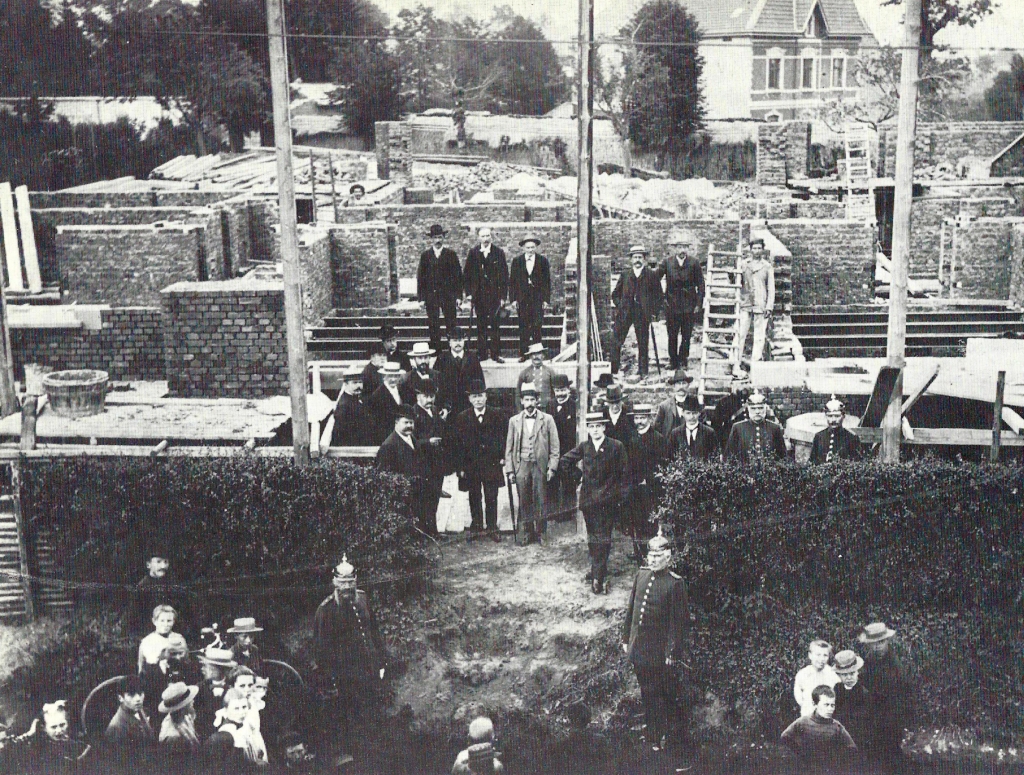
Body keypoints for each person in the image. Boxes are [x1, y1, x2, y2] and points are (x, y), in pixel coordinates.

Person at [313, 557, 388, 767]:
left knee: (371, 713)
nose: (346, 587)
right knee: (348, 718)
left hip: (369, 671)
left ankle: (374, 754)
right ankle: (353, 758)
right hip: (345, 678)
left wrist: (382, 661)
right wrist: (330, 681)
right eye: (342, 582)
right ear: (335, 583)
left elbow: (374, 631)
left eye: (350, 582)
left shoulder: (362, 599)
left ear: (355, 581)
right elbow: (321, 652)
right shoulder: (325, 610)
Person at [621, 532, 690, 754]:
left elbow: (678, 622)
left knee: (661, 693)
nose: (652, 560)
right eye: (650, 555)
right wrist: (625, 638)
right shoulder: (641, 575)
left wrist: (672, 651)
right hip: (638, 648)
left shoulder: (674, 584)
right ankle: (652, 731)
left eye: (658, 556)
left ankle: (666, 736)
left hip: (658, 653)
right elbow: (631, 610)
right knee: (646, 690)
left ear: (668, 558)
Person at [560, 412, 629, 594]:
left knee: (603, 537)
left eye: (598, 426)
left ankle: (598, 577)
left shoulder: (616, 446)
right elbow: (565, 461)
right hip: (589, 501)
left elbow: (624, 473)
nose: (595, 429)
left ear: (604, 427)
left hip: (607, 501)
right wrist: (579, 476)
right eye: (591, 426)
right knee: (593, 537)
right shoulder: (585, 447)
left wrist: (618, 495)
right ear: (587, 429)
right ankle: (597, 569)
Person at [504, 382, 560, 546]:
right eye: (526, 400)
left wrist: (552, 467)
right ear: (522, 401)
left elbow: (555, 446)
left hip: (540, 466)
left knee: (541, 499)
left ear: (537, 401)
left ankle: (541, 532)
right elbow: (509, 448)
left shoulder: (547, 419)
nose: (529, 403)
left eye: (532, 400)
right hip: (522, 465)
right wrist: (510, 471)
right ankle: (527, 532)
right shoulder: (514, 421)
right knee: (524, 499)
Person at [454, 379, 506, 542]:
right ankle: (477, 526)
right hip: (472, 465)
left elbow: (504, 437)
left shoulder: (497, 414)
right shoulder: (463, 417)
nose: (478, 400)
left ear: (486, 397)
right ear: (470, 399)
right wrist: (460, 466)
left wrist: (503, 456)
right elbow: (459, 443)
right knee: (474, 495)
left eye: (481, 396)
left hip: (491, 463)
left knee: (492, 495)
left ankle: (491, 527)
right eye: (474, 397)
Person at [857, 622, 912, 773]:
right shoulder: (868, 661)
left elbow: (904, 693)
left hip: (891, 716)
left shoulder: (894, 665)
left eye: (881, 642)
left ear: (887, 641)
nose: (878, 647)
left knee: (890, 755)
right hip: (873, 717)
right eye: (873, 644)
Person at [610, 244, 663, 377]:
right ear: (631, 260)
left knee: (643, 343)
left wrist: (653, 312)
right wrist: (621, 305)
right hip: (625, 314)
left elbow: (659, 296)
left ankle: (643, 371)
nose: (637, 260)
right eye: (635, 257)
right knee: (617, 340)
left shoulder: (651, 275)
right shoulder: (626, 274)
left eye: (640, 257)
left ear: (644, 259)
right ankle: (614, 370)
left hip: (642, 314)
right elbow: (615, 294)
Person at [780, 685, 857, 773]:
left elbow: (852, 748)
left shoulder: (836, 726)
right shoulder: (803, 722)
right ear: (814, 704)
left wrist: (838, 760)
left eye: (832, 705)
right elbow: (785, 737)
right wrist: (799, 752)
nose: (830, 709)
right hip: (806, 769)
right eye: (826, 705)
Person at [658, 229, 705, 372]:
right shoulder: (667, 262)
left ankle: (683, 360)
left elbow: (701, 284)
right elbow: (655, 279)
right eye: (679, 247)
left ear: (688, 249)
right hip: (671, 305)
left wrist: (698, 304)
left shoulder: (694, 263)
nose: (682, 250)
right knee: (672, 335)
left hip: (688, 305)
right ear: (675, 249)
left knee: (686, 335)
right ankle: (673, 361)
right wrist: (661, 298)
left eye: (685, 247)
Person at [627, 404, 667, 562]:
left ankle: (651, 554)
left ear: (649, 418)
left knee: (650, 522)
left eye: (643, 418)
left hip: (652, 489)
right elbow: (627, 464)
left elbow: (662, 465)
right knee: (635, 521)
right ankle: (639, 553)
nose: (640, 421)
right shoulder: (630, 439)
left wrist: (649, 480)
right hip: (634, 488)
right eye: (637, 418)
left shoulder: (658, 438)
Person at [463, 226, 510, 363]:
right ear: (479, 238)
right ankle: (482, 353)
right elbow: (467, 275)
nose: (485, 239)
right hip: (479, 296)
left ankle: (495, 354)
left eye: (487, 236)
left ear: (491, 237)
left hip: (494, 296)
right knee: (481, 325)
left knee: (495, 325)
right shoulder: (473, 253)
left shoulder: (498, 252)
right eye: (482, 236)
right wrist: (469, 294)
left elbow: (504, 276)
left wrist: (502, 297)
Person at [418, 224, 464, 351]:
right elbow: (421, 278)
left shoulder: (451, 255)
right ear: (431, 239)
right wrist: (421, 298)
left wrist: (459, 296)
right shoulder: (425, 256)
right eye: (434, 237)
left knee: (451, 323)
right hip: (431, 296)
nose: (437, 240)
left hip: (448, 296)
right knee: (433, 324)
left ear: (443, 237)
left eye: (439, 237)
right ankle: (435, 350)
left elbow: (458, 277)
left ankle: (452, 349)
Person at [412, 382, 449, 537]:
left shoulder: (434, 410)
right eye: (425, 396)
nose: (429, 399)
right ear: (418, 396)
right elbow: (410, 440)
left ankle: (432, 531)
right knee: (423, 499)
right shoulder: (413, 414)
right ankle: (423, 532)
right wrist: (427, 442)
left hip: (436, 463)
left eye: (431, 396)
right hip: (422, 463)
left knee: (434, 498)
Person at [131, 547, 194, 638]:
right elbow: (135, 615)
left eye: (166, 562)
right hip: (150, 633)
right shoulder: (143, 586)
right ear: (148, 565)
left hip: (172, 631)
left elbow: (183, 609)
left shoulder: (172, 583)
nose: (163, 566)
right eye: (159, 562)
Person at [735, 236, 775, 377]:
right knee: (740, 334)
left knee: (759, 336)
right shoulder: (744, 265)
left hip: (760, 304)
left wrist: (769, 306)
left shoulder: (767, 267)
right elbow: (737, 283)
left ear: (762, 250)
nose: (757, 250)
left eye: (759, 248)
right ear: (750, 250)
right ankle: (735, 363)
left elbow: (771, 288)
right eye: (754, 248)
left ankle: (756, 365)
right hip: (746, 303)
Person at [508, 236, 551, 359]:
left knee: (537, 326)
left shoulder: (542, 261)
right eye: (528, 247)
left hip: (537, 299)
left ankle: (538, 354)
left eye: (532, 247)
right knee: (523, 327)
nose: (530, 250)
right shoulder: (517, 261)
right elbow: (512, 282)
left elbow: (547, 281)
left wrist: (545, 300)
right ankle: (523, 353)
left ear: (536, 247)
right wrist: (513, 299)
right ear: (523, 248)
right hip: (522, 299)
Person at [203, 689, 266, 771]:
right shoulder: (226, 732)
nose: (242, 712)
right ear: (226, 710)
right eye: (236, 708)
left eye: (244, 707)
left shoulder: (247, 725)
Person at [434, 328, 485, 418]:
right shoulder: (442, 359)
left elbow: (480, 381)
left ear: (464, 341)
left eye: (460, 340)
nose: (458, 343)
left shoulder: (472, 358)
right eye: (454, 340)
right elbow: (437, 384)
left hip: (468, 405)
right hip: (449, 406)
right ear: (449, 342)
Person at [725, 390, 787, 463]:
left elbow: (782, 456)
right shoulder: (738, 428)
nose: (757, 412)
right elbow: (729, 456)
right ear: (748, 409)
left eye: (760, 408)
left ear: (765, 408)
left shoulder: (774, 428)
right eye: (753, 409)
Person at [549, 373, 578, 523]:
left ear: (568, 390)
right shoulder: (549, 405)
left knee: (568, 482)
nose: (560, 393)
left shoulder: (574, 406)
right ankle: (553, 512)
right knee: (552, 482)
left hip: (569, 450)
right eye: (557, 390)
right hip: (553, 451)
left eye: (562, 390)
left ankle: (568, 512)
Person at [195, 647, 237, 741]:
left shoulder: (233, 686)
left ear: (221, 669)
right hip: (205, 737)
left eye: (207, 667)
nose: (203, 669)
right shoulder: (199, 688)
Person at [831, 650, 870, 749]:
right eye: (844, 675)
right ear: (839, 675)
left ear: (857, 672)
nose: (849, 677)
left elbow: (863, 721)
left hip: (857, 739)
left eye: (852, 673)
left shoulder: (863, 693)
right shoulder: (837, 689)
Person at [104, 675, 154, 750]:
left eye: (140, 693)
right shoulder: (116, 727)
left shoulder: (138, 709)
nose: (138, 699)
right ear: (120, 698)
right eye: (131, 694)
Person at [794, 640, 840, 717]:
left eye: (825, 655)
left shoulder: (832, 674)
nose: (821, 659)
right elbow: (798, 696)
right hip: (808, 717)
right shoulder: (803, 674)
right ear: (810, 655)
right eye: (818, 655)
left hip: (827, 719)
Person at [810, 395, 862, 463]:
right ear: (825, 416)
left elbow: (856, 464)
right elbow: (812, 462)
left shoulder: (852, 438)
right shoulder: (819, 436)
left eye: (837, 416)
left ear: (843, 416)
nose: (833, 420)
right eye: (830, 416)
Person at [669, 394, 720, 461]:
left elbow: (715, 456)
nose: (691, 417)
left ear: (699, 413)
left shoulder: (709, 432)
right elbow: (670, 456)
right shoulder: (675, 433)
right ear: (683, 413)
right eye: (688, 413)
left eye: (694, 413)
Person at [375, 405, 423, 477]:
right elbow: (384, 475)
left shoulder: (413, 439)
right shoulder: (388, 445)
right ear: (396, 422)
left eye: (411, 422)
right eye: (406, 422)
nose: (409, 425)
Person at [157, 682, 201, 759]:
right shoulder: (173, 737)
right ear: (182, 707)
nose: (193, 701)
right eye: (190, 700)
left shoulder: (186, 717)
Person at [366, 362, 406, 444]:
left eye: (396, 376)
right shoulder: (377, 396)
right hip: (386, 439)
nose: (393, 379)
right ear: (384, 376)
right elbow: (376, 424)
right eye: (390, 376)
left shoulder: (402, 390)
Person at [332, 367, 373, 446]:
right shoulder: (344, 405)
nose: (359, 385)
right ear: (346, 384)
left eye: (360, 382)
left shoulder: (356, 397)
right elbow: (340, 434)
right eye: (354, 383)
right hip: (352, 447)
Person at [515, 343, 556, 412]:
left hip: (547, 408)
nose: (536, 356)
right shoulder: (525, 373)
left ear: (543, 355)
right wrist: (520, 411)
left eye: (539, 354)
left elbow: (555, 390)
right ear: (530, 356)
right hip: (530, 408)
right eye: (533, 354)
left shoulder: (550, 371)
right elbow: (518, 393)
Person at [653, 371, 694, 439]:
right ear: (674, 386)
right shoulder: (664, 406)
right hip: (669, 446)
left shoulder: (696, 405)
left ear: (688, 385)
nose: (681, 386)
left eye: (684, 383)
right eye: (678, 383)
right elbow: (657, 430)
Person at [602, 384, 638, 449]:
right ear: (607, 403)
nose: (615, 406)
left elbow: (634, 436)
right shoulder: (603, 415)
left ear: (621, 401)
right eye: (612, 403)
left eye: (617, 402)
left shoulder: (629, 414)